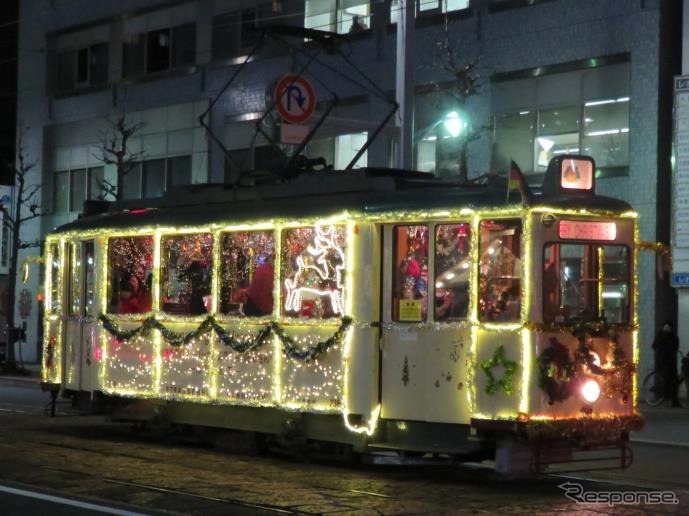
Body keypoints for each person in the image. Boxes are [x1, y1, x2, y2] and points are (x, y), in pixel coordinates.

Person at [652, 321, 680, 406]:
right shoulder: (660, 335)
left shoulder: (674, 337)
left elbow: (676, 347)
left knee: (675, 380)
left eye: (668, 327)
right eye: (666, 327)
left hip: (671, 361)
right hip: (663, 361)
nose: (667, 329)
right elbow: (654, 345)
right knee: (667, 378)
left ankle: (674, 400)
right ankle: (666, 396)